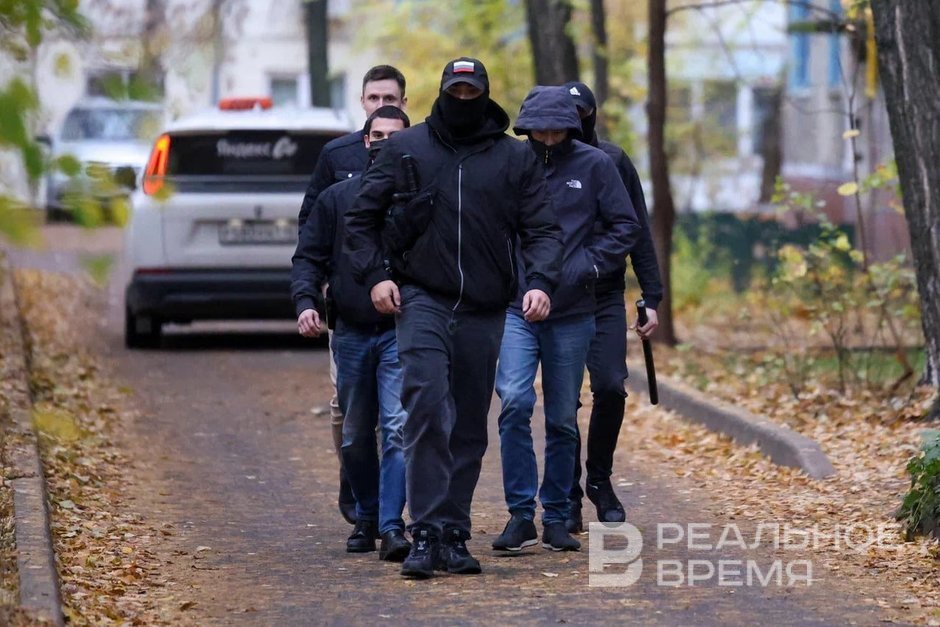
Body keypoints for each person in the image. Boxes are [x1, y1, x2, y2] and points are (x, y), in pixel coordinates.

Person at [344, 57, 564, 579]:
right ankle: (425, 531)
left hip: (485, 307)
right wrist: (376, 277)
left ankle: (452, 531)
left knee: (467, 422)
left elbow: (542, 229)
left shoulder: (514, 158)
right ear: (442, 92)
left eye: (472, 93)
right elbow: (360, 219)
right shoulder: (407, 148)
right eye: (455, 92)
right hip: (422, 297)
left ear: (484, 95)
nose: (463, 101)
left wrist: (540, 282)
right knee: (425, 407)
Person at [491, 85, 640, 553]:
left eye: (558, 131)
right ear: (526, 128)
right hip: (517, 306)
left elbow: (626, 226)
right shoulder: (510, 162)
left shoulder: (596, 165)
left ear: (573, 127)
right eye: (541, 131)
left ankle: (556, 515)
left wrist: (589, 266)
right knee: (514, 402)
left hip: (574, 310)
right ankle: (520, 514)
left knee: (561, 417)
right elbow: (488, 222)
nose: (550, 139)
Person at [291, 106, 413, 562]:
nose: (385, 144)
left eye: (395, 137)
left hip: (400, 331)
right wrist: (306, 303)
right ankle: (366, 515)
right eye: (377, 136)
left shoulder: (419, 200)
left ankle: (392, 525)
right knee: (356, 433)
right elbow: (308, 257)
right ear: (365, 142)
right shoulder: (337, 199)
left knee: (397, 429)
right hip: (351, 332)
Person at [562, 81, 663, 532]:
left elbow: (637, 229)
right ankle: (566, 493)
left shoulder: (613, 160)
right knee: (563, 400)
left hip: (603, 295)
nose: (573, 123)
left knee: (609, 387)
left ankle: (598, 480)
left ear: (592, 115)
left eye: (582, 114)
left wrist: (652, 297)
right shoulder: (536, 160)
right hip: (558, 297)